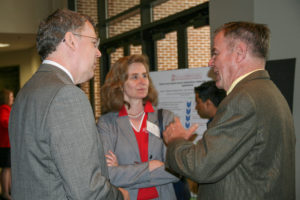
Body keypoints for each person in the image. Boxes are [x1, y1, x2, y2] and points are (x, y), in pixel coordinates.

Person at [163, 21, 295, 199]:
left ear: (239, 53)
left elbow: (200, 166)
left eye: (215, 53)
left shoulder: (242, 100)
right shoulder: (272, 94)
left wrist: (176, 141)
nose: (211, 62)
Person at [8, 9, 128, 200]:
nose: (98, 53)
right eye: (94, 43)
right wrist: (120, 196)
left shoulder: (26, 92)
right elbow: (88, 191)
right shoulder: (66, 96)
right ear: (71, 40)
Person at [97, 55, 179, 200]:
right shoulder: (107, 124)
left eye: (145, 76)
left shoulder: (166, 118)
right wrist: (151, 166)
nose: (142, 82)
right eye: (134, 77)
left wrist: (122, 170)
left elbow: (176, 171)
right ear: (120, 84)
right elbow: (108, 175)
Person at [0, 89, 14, 200]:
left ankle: (8, 191)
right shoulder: (4, 109)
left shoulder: (6, 109)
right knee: (6, 169)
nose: (12, 99)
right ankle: (5, 192)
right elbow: (4, 121)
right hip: (5, 145)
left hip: (6, 144)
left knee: (8, 168)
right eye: (11, 97)